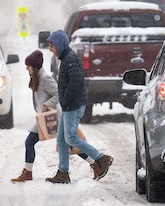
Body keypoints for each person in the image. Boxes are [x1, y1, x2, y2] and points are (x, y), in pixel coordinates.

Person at [10, 50, 99, 183]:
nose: (26, 68)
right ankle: (94, 164)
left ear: (34, 67)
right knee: (64, 142)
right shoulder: (37, 78)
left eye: (28, 66)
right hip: (45, 116)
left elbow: (58, 93)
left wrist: (46, 105)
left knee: (66, 142)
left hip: (53, 116)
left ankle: (95, 163)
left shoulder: (45, 78)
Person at [45, 30, 113, 184]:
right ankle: (63, 172)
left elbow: (76, 82)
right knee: (62, 139)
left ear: (60, 45)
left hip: (73, 106)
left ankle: (101, 158)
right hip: (69, 105)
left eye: (52, 46)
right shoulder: (66, 58)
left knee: (70, 138)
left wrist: (66, 100)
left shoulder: (69, 59)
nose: (50, 49)